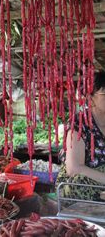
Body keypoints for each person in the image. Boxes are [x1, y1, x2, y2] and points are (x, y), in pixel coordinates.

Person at [56, 71, 105, 201]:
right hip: (86, 182)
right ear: (90, 98)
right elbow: (74, 168)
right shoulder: (79, 123)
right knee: (77, 185)